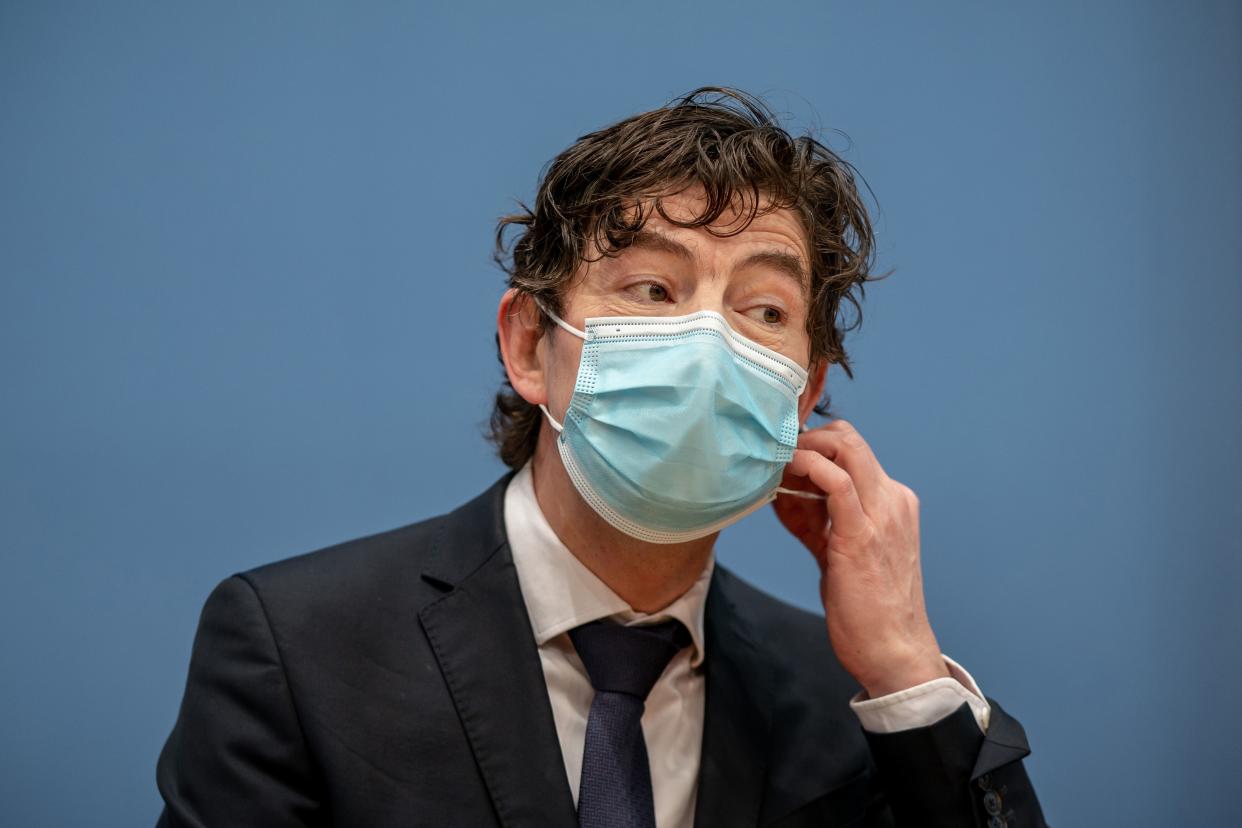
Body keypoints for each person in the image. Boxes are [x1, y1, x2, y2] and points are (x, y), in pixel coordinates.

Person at [155, 87, 1048, 827]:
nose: (708, 340)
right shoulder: (300, 647)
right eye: (652, 288)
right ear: (530, 346)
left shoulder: (847, 698)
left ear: (803, 394)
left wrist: (908, 673)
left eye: (765, 310)